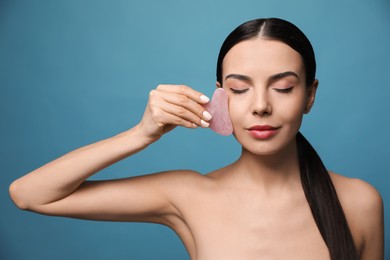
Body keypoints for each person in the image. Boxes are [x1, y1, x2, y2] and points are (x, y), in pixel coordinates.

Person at [9, 18, 384, 260]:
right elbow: (30, 194)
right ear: (220, 95)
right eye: (239, 89)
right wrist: (141, 134)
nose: (260, 106)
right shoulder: (189, 195)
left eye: (283, 87)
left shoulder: (360, 201)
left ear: (310, 96)